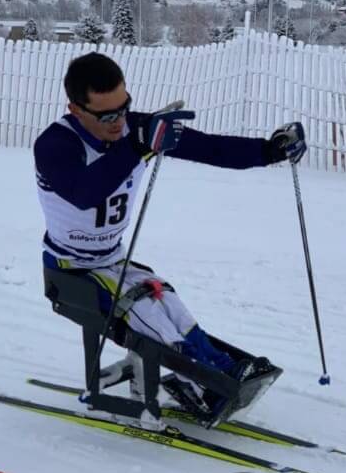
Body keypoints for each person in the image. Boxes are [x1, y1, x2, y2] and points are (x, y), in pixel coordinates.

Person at [34, 52, 307, 423]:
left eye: (124, 108)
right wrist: (138, 146)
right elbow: (85, 192)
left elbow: (210, 148)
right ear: (76, 109)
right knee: (147, 314)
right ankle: (202, 381)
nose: (119, 122)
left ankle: (222, 369)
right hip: (70, 268)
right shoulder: (55, 145)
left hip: (112, 259)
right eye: (107, 115)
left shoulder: (136, 129)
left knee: (168, 301)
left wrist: (270, 151)